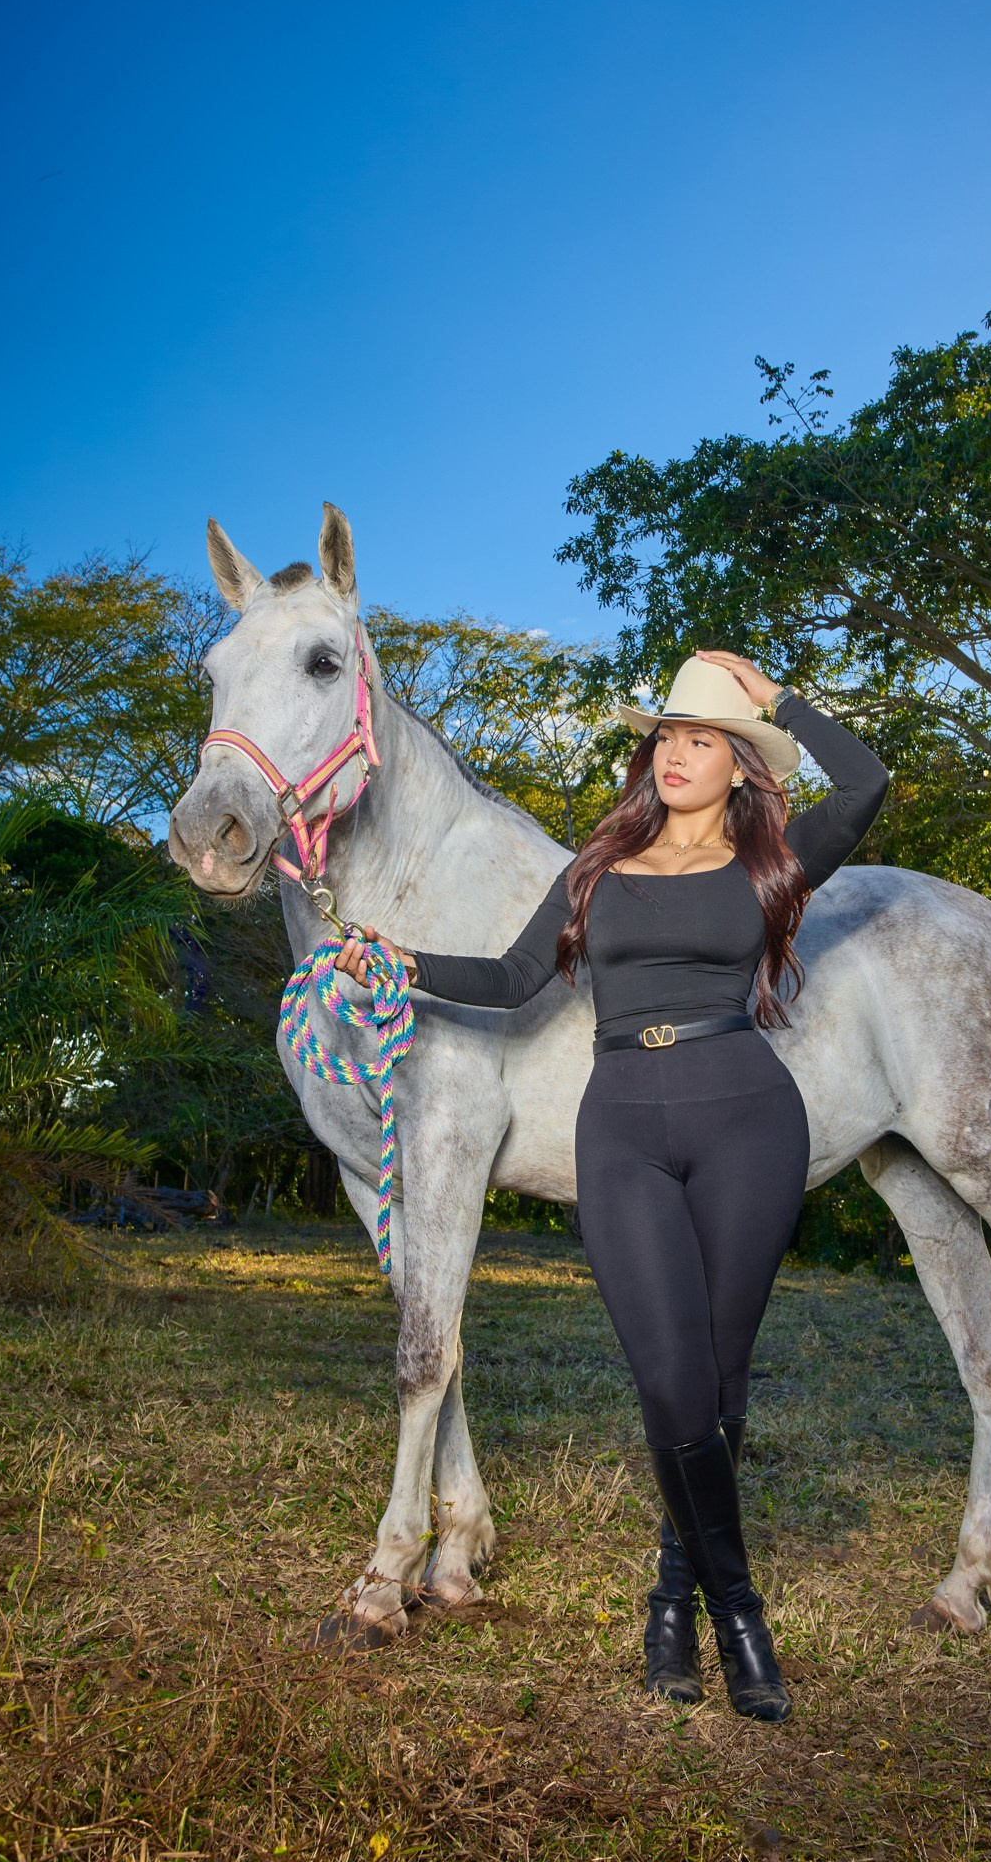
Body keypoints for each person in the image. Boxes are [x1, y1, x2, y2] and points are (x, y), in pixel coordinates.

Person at [335, 649, 889, 1721]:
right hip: (623, 1124)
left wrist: (778, 699)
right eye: (669, 735)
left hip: (748, 1119)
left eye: (704, 739)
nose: (677, 753)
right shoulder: (599, 861)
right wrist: (398, 960)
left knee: (720, 1391)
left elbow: (864, 784)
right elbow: (509, 979)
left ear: (740, 766)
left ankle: (674, 1603)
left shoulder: (774, 858)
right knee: (672, 1383)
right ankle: (742, 1610)